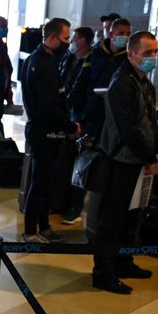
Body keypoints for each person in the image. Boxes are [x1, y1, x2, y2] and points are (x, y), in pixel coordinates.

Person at [93, 31, 158, 294]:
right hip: (121, 161)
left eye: (155, 52)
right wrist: (149, 155)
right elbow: (128, 127)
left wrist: (156, 152)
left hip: (139, 161)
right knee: (112, 220)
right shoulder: (122, 82)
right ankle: (104, 272)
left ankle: (124, 261)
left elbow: (150, 122)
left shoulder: (144, 82)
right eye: (147, 53)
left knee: (132, 217)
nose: (152, 57)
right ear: (132, 54)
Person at [22, 18, 80, 244]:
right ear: (54, 37)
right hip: (44, 131)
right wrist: (70, 126)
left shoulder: (43, 59)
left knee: (45, 183)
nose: (68, 43)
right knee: (40, 183)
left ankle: (43, 227)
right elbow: (48, 107)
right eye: (66, 38)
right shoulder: (43, 63)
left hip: (46, 130)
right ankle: (30, 231)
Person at [70, 17, 131, 137]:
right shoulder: (96, 53)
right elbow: (81, 82)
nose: (125, 36)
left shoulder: (129, 58)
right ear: (112, 34)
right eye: (121, 33)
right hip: (92, 112)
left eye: (128, 33)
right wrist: (69, 103)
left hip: (116, 113)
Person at [60, 26, 95, 225]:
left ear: (81, 40)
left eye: (73, 37)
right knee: (67, 159)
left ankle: (75, 206)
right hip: (67, 115)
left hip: (82, 117)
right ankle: (63, 201)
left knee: (81, 164)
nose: (71, 40)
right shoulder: (70, 58)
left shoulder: (91, 62)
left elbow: (83, 91)